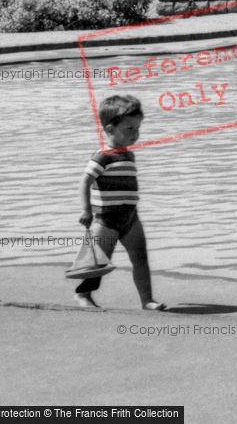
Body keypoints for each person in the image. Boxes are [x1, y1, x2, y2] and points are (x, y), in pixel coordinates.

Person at [75, 94, 166, 311]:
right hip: (105, 219)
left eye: (137, 129)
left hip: (131, 218)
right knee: (96, 261)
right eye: (129, 129)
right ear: (109, 130)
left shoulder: (129, 155)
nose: (135, 134)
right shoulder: (102, 156)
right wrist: (86, 211)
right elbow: (84, 181)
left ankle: (147, 300)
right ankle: (83, 295)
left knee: (141, 259)